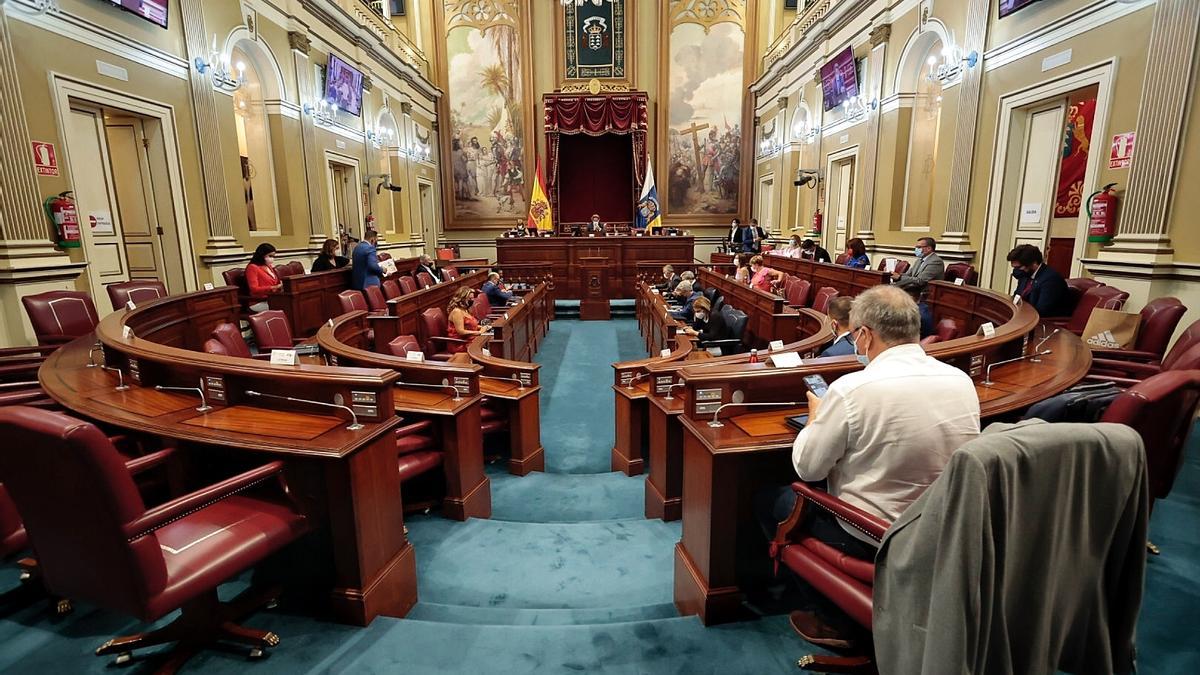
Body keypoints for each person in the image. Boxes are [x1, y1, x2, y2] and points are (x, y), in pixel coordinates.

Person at [756, 285, 980, 648]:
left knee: (773, 499)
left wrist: (816, 419)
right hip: (944, 530)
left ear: (862, 335)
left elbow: (808, 469)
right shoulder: (960, 379)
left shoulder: (853, 389)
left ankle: (835, 618)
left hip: (874, 535)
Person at [1007, 244, 1070, 316]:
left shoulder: (1051, 280)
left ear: (1034, 263)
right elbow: (1016, 297)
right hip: (1023, 316)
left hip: (1045, 322)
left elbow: (1041, 310)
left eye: (1019, 267)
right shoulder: (1025, 275)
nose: (1016, 271)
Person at [446, 287, 489, 353]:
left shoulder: (466, 310)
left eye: (472, 298)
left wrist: (484, 327)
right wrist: (478, 332)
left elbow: (470, 326)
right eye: (470, 298)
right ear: (462, 299)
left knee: (490, 342)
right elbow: (461, 331)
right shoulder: (457, 312)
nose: (472, 300)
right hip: (460, 344)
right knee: (487, 351)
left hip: (469, 339)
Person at [245, 243, 282, 312]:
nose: (272, 258)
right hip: (259, 301)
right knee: (286, 306)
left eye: (273, 256)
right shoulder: (252, 267)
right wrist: (273, 288)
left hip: (271, 299)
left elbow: (275, 282)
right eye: (270, 256)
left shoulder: (269, 266)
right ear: (262, 255)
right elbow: (254, 289)